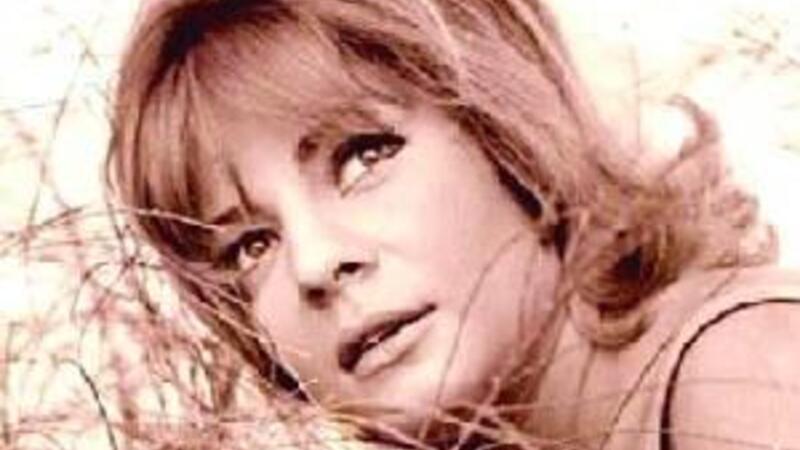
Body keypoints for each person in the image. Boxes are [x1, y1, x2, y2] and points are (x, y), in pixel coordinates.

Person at [107, 0, 800, 448]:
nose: (314, 264)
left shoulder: (742, 371)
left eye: (363, 158)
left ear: (508, 130)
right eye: (251, 245)